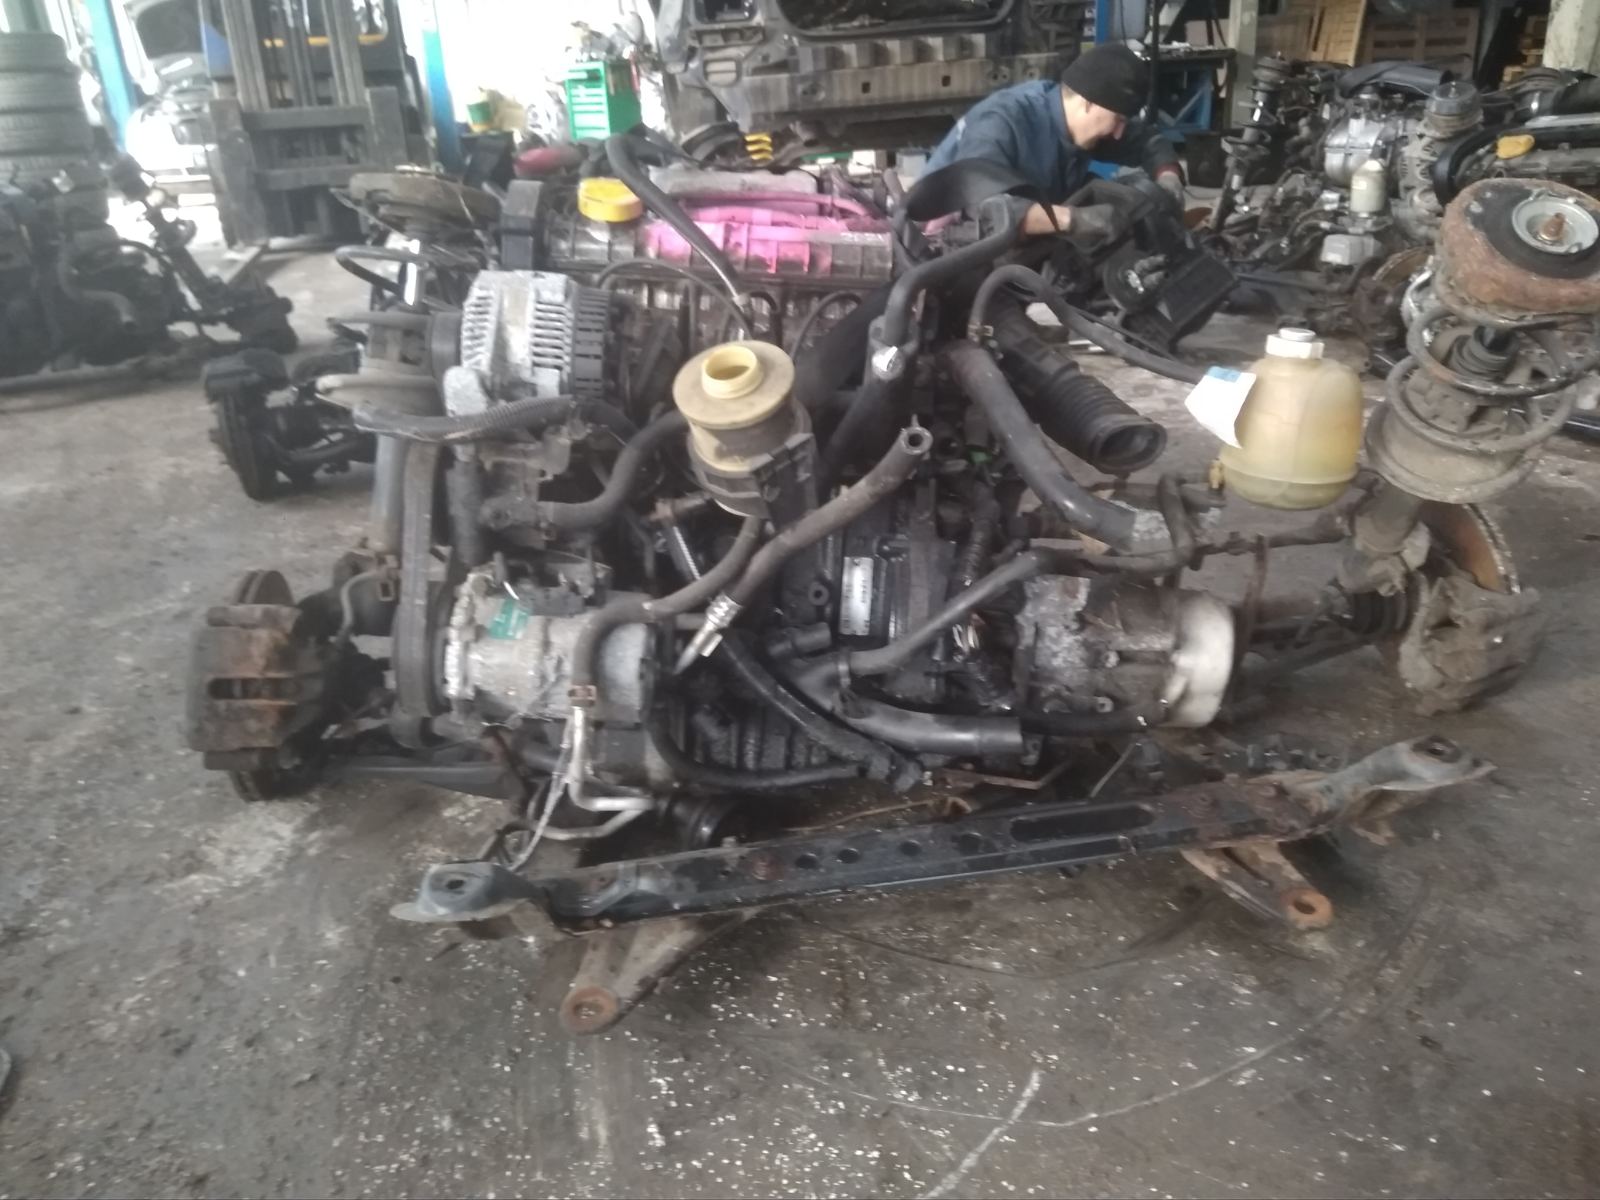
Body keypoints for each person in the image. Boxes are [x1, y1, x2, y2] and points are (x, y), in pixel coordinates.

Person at [924, 44, 1185, 238]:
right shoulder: (1004, 121)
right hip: (943, 246)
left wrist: (1169, 177)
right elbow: (982, 205)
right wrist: (1074, 219)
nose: (1119, 133)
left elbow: (1148, 141)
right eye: (1117, 120)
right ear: (1088, 103)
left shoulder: (1086, 120)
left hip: (1020, 234)